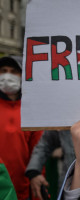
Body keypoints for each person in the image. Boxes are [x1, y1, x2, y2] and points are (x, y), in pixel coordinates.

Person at [0, 56, 43, 200]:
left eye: (13, 71)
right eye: (3, 71)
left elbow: (37, 150)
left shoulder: (31, 110)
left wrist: (37, 178)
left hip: (22, 188)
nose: (7, 75)